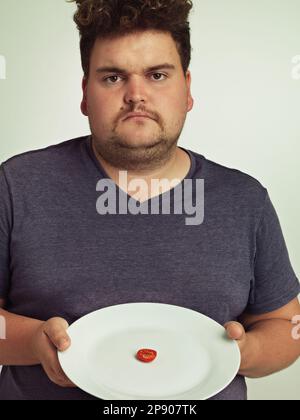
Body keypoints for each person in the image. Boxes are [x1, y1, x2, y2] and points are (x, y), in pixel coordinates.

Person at [0, 0, 299, 401]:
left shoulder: (245, 200)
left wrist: (248, 351)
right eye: (112, 78)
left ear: (187, 90)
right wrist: (34, 340)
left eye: (157, 75)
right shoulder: (17, 186)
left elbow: (288, 323)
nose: (136, 95)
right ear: (85, 93)